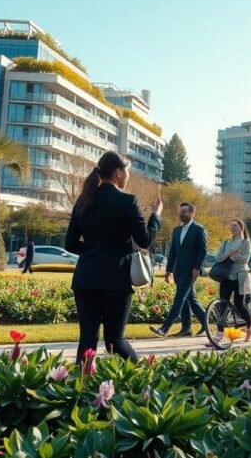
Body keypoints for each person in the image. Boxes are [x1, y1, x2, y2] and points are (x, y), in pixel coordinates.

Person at [67, 152, 161, 362]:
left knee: (87, 340)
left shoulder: (84, 201)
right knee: (115, 339)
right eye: (127, 171)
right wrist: (156, 216)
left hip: (85, 279)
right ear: (118, 172)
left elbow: (70, 244)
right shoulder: (127, 201)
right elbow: (145, 240)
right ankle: (142, 379)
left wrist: (95, 251)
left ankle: (81, 387)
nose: (128, 175)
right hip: (115, 280)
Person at [150, 202, 209, 338]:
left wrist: (197, 268)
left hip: (191, 271)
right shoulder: (176, 231)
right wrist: (169, 271)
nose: (181, 214)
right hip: (178, 271)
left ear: (192, 213)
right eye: (180, 211)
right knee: (190, 299)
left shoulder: (199, 229)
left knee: (180, 298)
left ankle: (164, 328)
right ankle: (189, 327)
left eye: (184, 212)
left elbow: (203, 251)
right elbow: (173, 253)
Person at [212, 219, 251, 342]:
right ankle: (218, 335)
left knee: (239, 304)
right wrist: (231, 253)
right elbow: (218, 258)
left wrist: (232, 256)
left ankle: (250, 326)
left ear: (242, 227)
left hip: (240, 277)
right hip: (227, 276)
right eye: (231, 226)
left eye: (235, 225)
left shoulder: (246, 242)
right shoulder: (226, 243)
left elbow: (244, 259)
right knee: (222, 304)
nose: (233, 227)